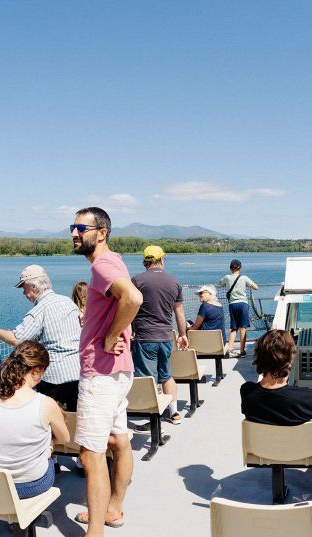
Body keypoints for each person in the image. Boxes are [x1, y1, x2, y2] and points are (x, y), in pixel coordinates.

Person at [71, 206, 143, 536]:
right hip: (118, 371)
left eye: (81, 228)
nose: (74, 233)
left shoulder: (102, 263)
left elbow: (133, 297)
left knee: (91, 454)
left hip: (100, 373)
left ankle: (95, 531)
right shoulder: (112, 260)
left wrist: (111, 335)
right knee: (118, 439)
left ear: (101, 233)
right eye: (72, 227)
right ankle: (113, 509)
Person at [0, 341, 70, 498]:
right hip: (31, 485)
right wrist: (48, 446)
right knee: (49, 445)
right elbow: (64, 439)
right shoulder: (46, 403)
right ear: (36, 371)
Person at [0, 264, 81, 411]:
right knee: (75, 417)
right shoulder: (68, 302)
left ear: (34, 287)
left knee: (51, 419)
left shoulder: (39, 310)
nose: (24, 293)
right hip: (78, 371)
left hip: (54, 378)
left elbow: (17, 338)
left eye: (24, 288)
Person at [131, 245, 189, 426]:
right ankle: (174, 413)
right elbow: (179, 313)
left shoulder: (136, 281)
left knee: (149, 380)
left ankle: (153, 419)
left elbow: (128, 308)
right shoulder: (174, 282)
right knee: (166, 376)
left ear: (144, 262)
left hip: (144, 337)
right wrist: (182, 334)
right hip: (165, 337)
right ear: (162, 260)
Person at [241, 330, 312, 436]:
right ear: (289, 359)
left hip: (263, 451)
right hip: (299, 451)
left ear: (259, 357)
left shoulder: (247, 391)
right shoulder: (307, 397)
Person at [219, 259, 258, 357]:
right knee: (243, 328)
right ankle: (242, 351)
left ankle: (230, 349)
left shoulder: (227, 277)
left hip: (232, 304)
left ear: (230, 268)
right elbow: (255, 287)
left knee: (234, 328)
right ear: (240, 268)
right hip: (243, 304)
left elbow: (220, 283)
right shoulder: (244, 278)